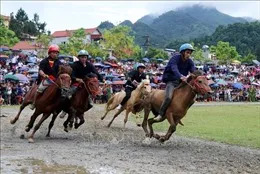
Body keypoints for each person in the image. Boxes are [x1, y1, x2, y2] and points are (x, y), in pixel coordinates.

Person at [154, 43, 196, 121]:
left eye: (190, 53)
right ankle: (160, 114)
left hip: (181, 81)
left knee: (192, 100)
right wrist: (180, 76)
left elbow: (193, 70)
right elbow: (174, 69)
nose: (189, 54)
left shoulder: (190, 61)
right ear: (182, 52)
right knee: (168, 97)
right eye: (187, 52)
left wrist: (199, 75)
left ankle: (180, 114)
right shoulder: (174, 59)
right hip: (171, 80)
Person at [59, 50, 103, 118]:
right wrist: (77, 79)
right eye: (82, 57)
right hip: (76, 82)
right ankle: (65, 110)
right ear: (79, 58)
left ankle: (81, 110)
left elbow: (96, 72)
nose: (83, 59)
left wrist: (103, 79)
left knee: (90, 103)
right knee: (69, 94)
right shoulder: (74, 65)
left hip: (86, 84)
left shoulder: (89, 65)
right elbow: (71, 75)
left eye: (85, 57)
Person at [30, 44, 62, 110]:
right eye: (53, 53)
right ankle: (34, 102)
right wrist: (44, 75)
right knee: (40, 89)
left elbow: (60, 71)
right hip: (46, 79)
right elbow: (40, 70)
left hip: (55, 81)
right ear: (49, 53)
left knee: (63, 91)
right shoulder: (44, 61)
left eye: (56, 53)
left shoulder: (59, 62)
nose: (55, 54)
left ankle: (58, 107)